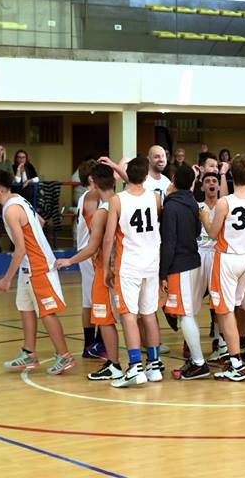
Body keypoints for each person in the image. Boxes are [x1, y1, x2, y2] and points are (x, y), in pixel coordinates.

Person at [0, 170, 74, 376]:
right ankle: (29, 352)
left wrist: (7, 279)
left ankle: (64, 356)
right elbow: (40, 222)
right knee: (25, 308)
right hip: (30, 265)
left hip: (38, 266)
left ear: (0, 189)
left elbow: (21, 248)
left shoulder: (10, 210)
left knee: (46, 313)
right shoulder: (18, 199)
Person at [56, 162, 123, 381]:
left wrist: (69, 261)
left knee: (102, 311)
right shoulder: (113, 201)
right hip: (111, 261)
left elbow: (99, 242)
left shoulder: (104, 206)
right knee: (129, 315)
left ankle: (110, 358)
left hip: (100, 261)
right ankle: (146, 362)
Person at [101, 157, 163, 387]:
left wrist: (106, 266)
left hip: (129, 265)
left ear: (127, 173)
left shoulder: (117, 200)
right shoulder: (154, 197)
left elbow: (108, 239)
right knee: (148, 314)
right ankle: (154, 365)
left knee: (128, 315)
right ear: (146, 175)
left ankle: (135, 366)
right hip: (151, 263)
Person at [203, 154, 245, 382]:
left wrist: (203, 217)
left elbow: (212, 233)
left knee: (225, 311)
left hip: (227, 259)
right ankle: (236, 355)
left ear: (230, 175)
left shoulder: (224, 202)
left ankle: (236, 363)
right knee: (233, 307)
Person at [160, 165, 209, 380]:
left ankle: (199, 363)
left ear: (172, 181)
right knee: (187, 313)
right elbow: (198, 232)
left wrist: (162, 272)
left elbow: (168, 243)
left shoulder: (171, 207)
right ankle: (196, 360)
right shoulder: (193, 204)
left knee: (184, 314)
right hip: (194, 262)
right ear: (192, 183)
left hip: (179, 266)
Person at [197, 170, 227, 362]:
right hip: (199, 253)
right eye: (207, 181)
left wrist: (223, 175)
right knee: (194, 297)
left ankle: (219, 340)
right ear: (202, 187)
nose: (211, 183)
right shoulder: (197, 206)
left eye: (214, 180)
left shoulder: (224, 205)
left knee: (217, 300)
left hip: (217, 253)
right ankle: (189, 341)